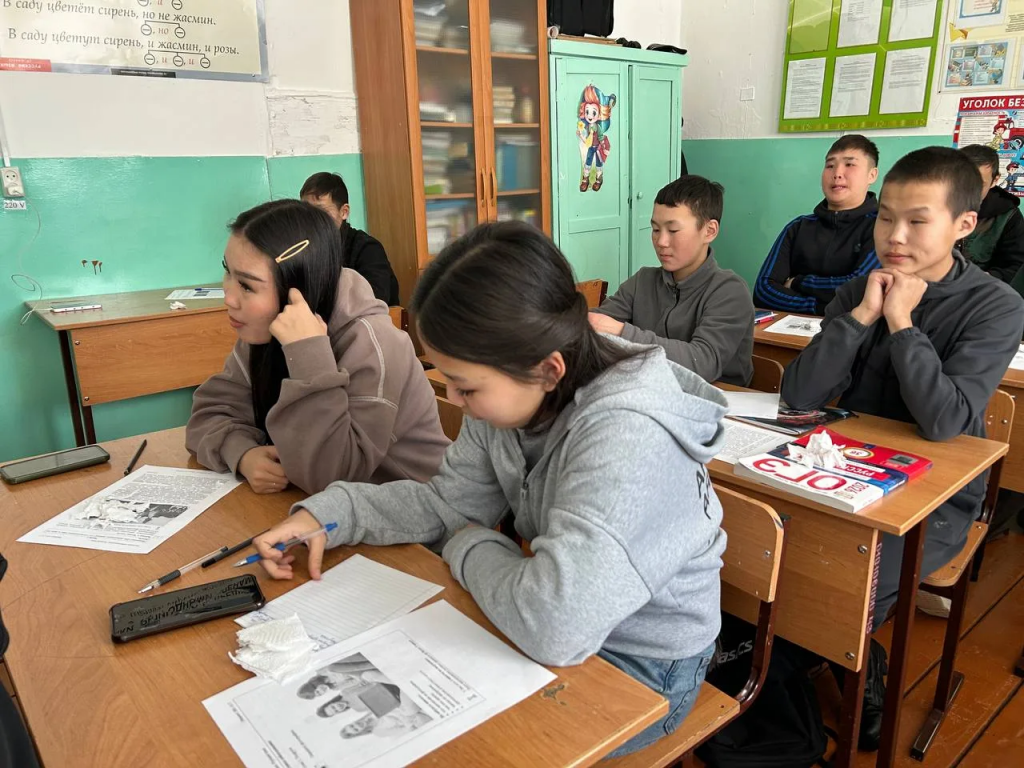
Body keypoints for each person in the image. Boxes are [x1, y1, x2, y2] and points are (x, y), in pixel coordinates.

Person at [251, 221, 727, 758]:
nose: (454, 400)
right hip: (552, 621)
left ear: (549, 370)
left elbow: (555, 626)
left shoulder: (628, 434)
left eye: (466, 387)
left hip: (643, 667)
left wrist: (470, 543)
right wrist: (333, 512)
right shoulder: (516, 391)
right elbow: (446, 504)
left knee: (450, 748)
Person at [781, 146, 1024, 751]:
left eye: (917, 221)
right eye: (886, 217)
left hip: (935, 496)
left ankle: (850, 661)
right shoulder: (861, 289)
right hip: (845, 469)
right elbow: (799, 397)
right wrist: (863, 314)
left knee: (850, 575)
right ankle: (796, 651)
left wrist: (902, 323)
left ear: (964, 224)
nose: (894, 236)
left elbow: (945, 422)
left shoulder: (996, 306)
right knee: (762, 539)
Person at [186, 199, 449, 496]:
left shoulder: (376, 344)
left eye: (247, 285)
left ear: (296, 289)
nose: (229, 298)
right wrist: (242, 453)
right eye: (228, 272)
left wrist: (308, 354)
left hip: (413, 509)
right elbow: (209, 414)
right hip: (319, 507)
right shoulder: (266, 329)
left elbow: (332, 478)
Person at [589, 176, 754, 386]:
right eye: (656, 230)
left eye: (673, 230)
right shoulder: (643, 281)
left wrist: (622, 332)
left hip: (719, 398)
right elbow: (595, 325)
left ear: (709, 231)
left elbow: (703, 362)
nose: (661, 241)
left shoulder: (730, 291)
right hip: (651, 391)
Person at [754, 134, 881, 315]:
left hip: (851, 331)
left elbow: (861, 287)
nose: (837, 173)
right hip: (789, 330)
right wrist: (816, 306)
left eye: (849, 164)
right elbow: (763, 291)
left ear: (872, 175)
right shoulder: (798, 227)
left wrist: (798, 282)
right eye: (830, 166)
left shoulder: (880, 227)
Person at [300, 172, 400, 305]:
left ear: (344, 212)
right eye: (306, 212)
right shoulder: (303, 248)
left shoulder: (367, 249)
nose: (312, 219)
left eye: (321, 212)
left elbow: (374, 302)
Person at [958, 144, 1024, 290]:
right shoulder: (931, 206)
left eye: (979, 184)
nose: (968, 190)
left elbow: (1016, 265)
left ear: (995, 180)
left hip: (981, 292)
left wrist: (987, 278)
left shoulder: (1008, 216)